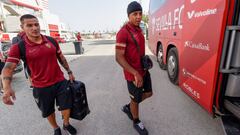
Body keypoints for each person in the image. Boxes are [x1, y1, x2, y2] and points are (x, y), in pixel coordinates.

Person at [1, 14, 77, 135]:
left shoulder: (51, 40)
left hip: (60, 81)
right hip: (41, 86)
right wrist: (6, 87)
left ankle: (66, 124)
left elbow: (61, 57)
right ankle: (56, 128)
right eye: (29, 25)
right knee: (48, 111)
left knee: (66, 106)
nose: (34, 28)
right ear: (22, 27)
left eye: (36, 24)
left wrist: (69, 72)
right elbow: (8, 68)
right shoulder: (19, 47)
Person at [115, 1, 153, 135]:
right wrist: (135, 73)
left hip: (143, 70)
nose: (138, 16)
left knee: (149, 93)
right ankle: (136, 121)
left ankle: (129, 106)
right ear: (128, 15)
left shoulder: (138, 29)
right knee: (135, 100)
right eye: (135, 14)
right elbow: (119, 57)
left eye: (140, 13)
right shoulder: (123, 33)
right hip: (133, 74)